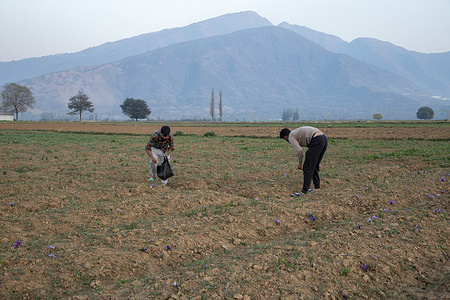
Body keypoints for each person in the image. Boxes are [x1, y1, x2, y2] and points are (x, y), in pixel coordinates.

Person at [279, 126, 328, 194]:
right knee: (314, 165)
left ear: (285, 136)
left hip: (317, 140)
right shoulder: (296, 133)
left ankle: (304, 191)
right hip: (323, 139)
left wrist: (300, 163)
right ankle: (317, 187)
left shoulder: (291, 136)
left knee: (307, 167)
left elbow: (299, 150)